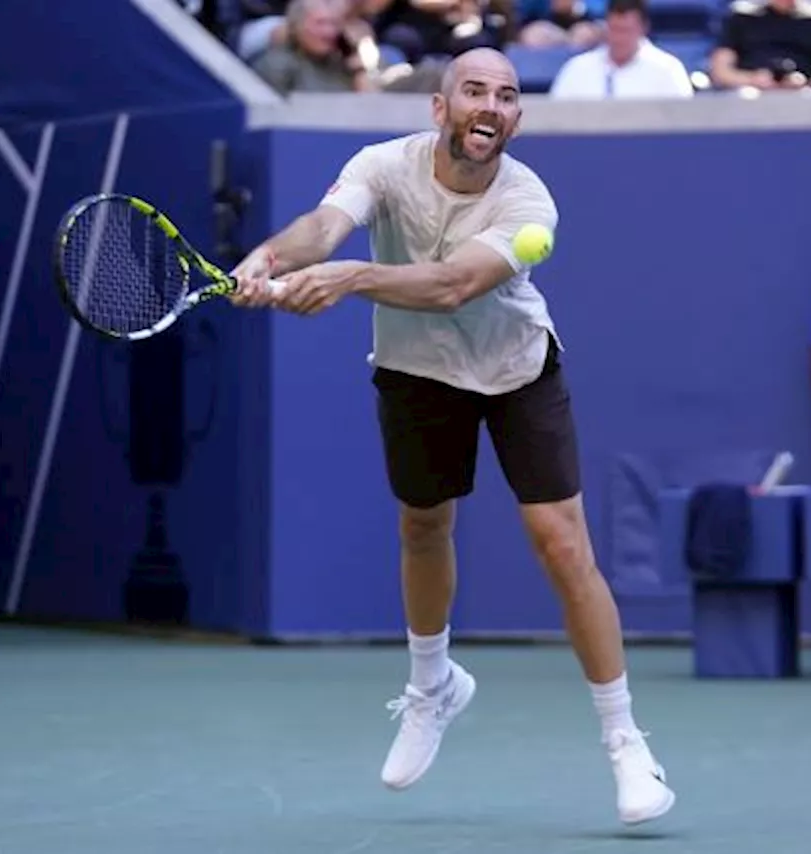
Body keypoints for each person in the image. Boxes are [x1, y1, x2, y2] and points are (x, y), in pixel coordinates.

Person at [227, 47, 675, 826]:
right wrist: (268, 258)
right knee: (423, 525)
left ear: (514, 119)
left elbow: (453, 285)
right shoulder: (382, 165)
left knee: (561, 543)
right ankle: (432, 688)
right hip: (413, 372)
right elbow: (325, 226)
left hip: (515, 371)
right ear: (440, 108)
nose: (490, 107)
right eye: (474, 91)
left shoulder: (531, 206)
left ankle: (625, 739)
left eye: (505, 96)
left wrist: (350, 279)